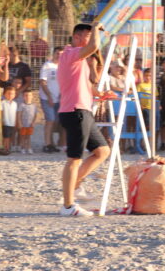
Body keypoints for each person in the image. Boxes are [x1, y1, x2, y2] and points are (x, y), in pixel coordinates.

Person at [57, 22, 110, 217]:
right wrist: (96, 28)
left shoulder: (80, 61)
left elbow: (86, 86)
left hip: (83, 110)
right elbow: (94, 47)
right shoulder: (70, 54)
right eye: (87, 36)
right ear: (78, 38)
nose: (91, 40)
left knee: (102, 151)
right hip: (75, 111)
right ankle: (68, 205)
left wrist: (101, 94)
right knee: (74, 159)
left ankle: (74, 184)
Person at [40, 47, 63, 153]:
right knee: (50, 120)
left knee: (55, 122)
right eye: (57, 53)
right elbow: (43, 82)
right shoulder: (47, 66)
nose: (59, 55)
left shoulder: (63, 66)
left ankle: (52, 143)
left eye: (61, 54)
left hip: (59, 99)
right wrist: (49, 96)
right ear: (53, 53)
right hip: (47, 98)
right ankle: (47, 144)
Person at [0, 86, 18, 156]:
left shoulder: (15, 104)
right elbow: (1, 112)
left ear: (15, 95)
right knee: (5, 136)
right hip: (5, 122)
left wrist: (15, 122)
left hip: (12, 123)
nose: (10, 95)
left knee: (9, 136)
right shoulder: (2, 102)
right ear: (4, 94)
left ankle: (8, 148)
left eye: (12, 94)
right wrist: (1, 120)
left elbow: (15, 113)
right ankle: (4, 148)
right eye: (8, 93)